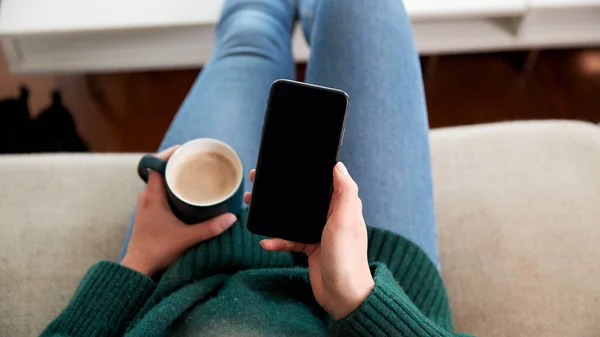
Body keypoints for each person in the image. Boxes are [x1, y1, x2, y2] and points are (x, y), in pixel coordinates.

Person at [41, 0, 472, 336]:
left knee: (249, 32)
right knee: (365, 7)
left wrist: (138, 260)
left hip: (195, 270)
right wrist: (358, 298)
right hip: (380, 286)